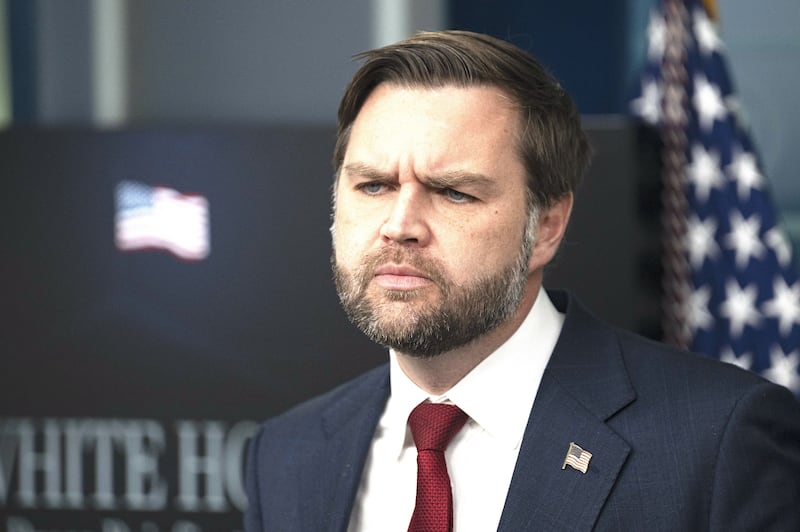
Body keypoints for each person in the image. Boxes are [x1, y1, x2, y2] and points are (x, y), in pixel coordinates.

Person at [244, 30, 800, 531]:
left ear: (547, 226)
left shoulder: (718, 442)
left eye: (454, 192)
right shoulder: (285, 456)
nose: (400, 225)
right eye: (373, 186)